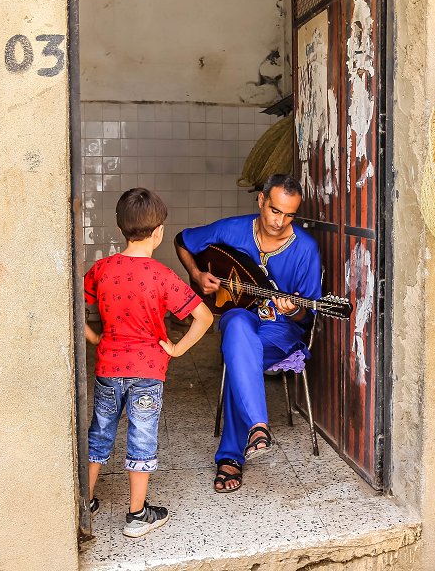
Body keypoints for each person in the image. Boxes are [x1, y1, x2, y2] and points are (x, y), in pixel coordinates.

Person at [174, 174, 322, 493]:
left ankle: (231, 456)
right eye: (274, 210)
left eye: (289, 215)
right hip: (240, 317)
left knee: (240, 353)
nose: (280, 221)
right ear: (261, 201)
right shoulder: (233, 229)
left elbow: (305, 314)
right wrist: (197, 274)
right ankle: (258, 425)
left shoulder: (305, 249)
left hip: (280, 332)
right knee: (238, 326)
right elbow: (182, 241)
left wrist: (290, 309)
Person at [84, 187, 213, 538]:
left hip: (108, 369)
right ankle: (137, 515)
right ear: (159, 232)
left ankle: (85, 502)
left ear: (119, 228)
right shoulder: (162, 276)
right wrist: (177, 349)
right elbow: (203, 317)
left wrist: (93, 337)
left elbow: (70, 303)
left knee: (99, 435)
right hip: (147, 373)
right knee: (141, 437)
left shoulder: (102, 269)